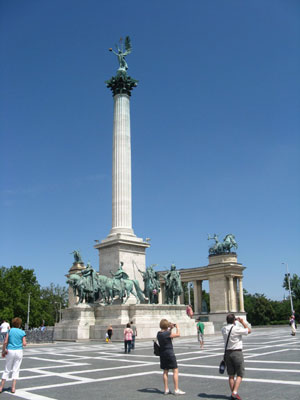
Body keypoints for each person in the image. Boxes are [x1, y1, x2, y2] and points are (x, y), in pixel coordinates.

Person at [222, 314, 251, 400]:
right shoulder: (236, 328)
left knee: (231, 375)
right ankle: (234, 392)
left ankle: (233, 394)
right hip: (236, 353)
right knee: (240, 373)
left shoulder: (223, 329)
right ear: (234, 320)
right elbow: (248, 331)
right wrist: (242, 322)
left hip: (227, 353)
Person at [157, 319, 185, 395]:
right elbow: (178, 334)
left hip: (162, 354)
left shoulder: (158, 333)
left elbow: (169, 337)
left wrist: (171, 328)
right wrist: (177, 327)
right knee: (175, 370)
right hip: (169, 353)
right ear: (167, 326)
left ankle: (166, 389)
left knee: (165, 371)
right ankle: (176, 389)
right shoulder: (167, 333)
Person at [0, 317, 26, 394]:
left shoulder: (10, 331)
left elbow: (5, 342)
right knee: (16, 369)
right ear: (19, 324)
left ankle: (1, 387)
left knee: (7, 369)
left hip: (10, 350)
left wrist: (3, 351)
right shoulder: (22, 332)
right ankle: (13, 388)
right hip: (18, 351)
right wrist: (18, 343)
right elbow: (24, 343)